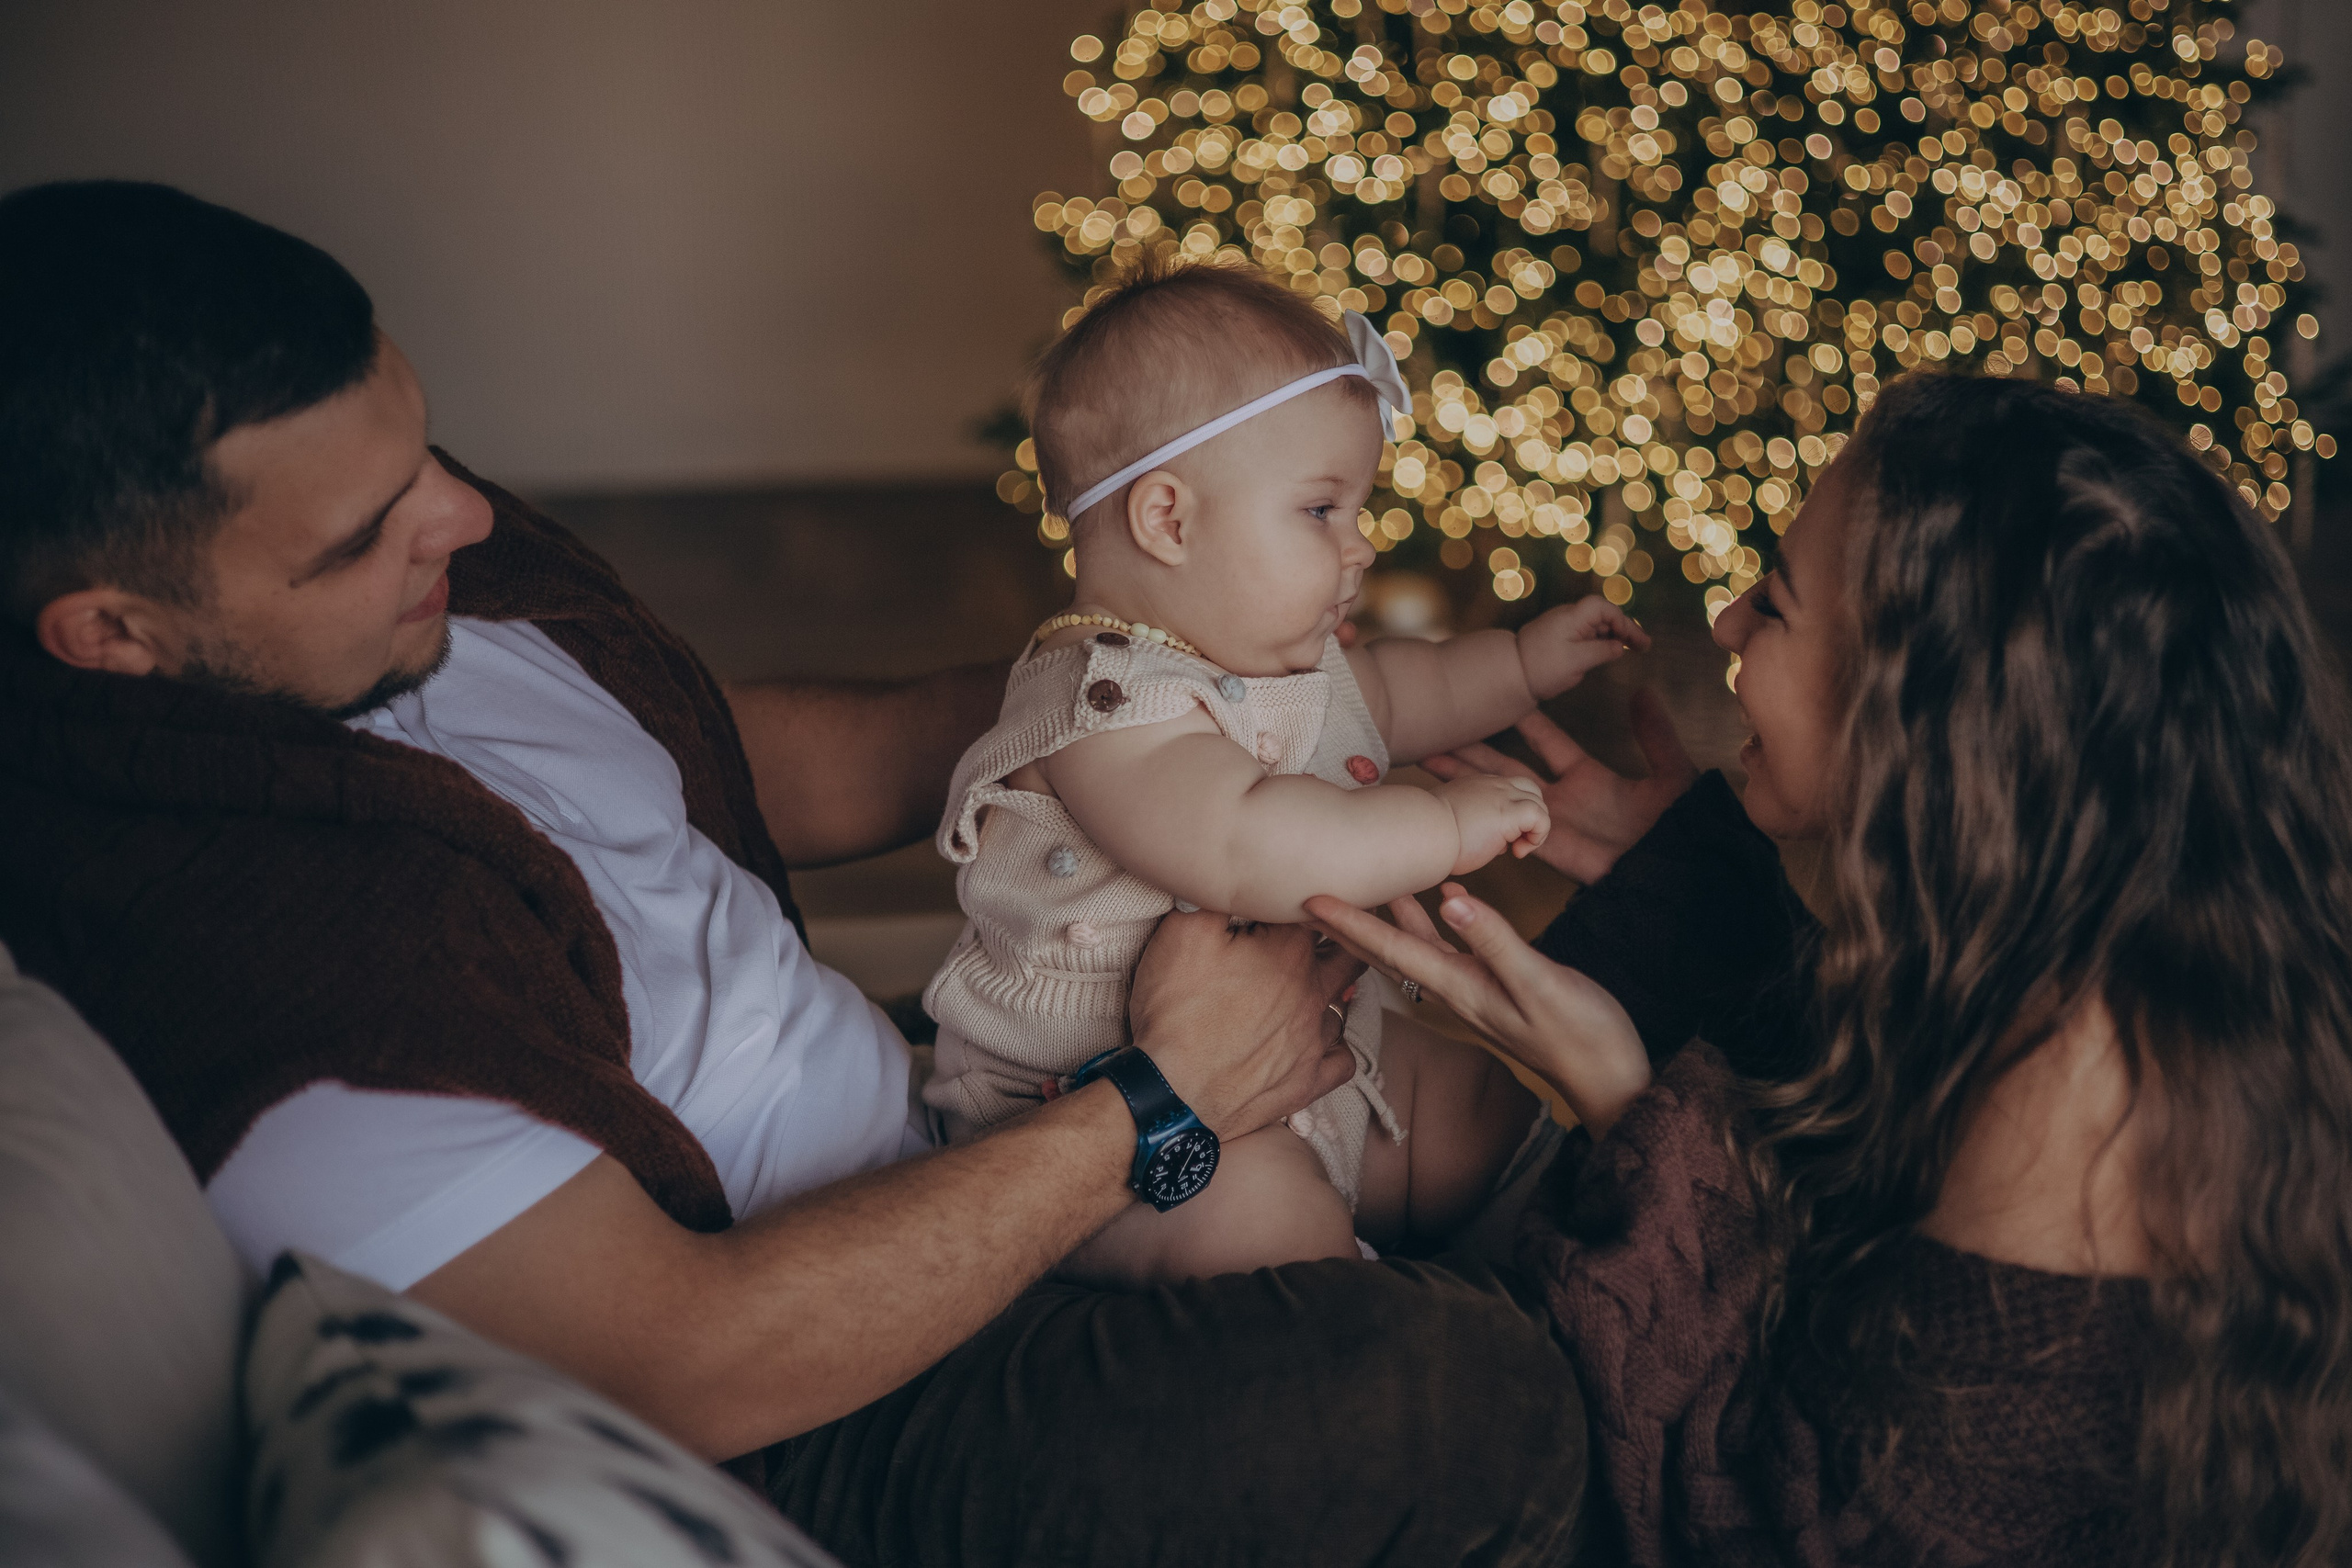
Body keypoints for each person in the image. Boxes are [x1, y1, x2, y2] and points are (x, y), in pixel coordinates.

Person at [0, 179, 1589, 1566]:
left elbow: (697, 751)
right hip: (848, 1384)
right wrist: (1164, 1105)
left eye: (430, 449)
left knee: (1597, 980)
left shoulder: (398, 589)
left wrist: (1161, 705)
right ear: (114, 637)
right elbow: (683, 1357)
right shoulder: (263, 961)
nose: (466, 516)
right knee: (1454, 1404)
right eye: (365, 532)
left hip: (934, 1110)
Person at [1313, 372, 2352, 1565]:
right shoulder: (2085, 933)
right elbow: (1860, 1164)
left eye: (1780, 604)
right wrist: (1698, 887)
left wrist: (1627, 1107)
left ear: (1925, 698)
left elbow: (1815, 1521)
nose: (1727, 624)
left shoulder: (2078, 1080)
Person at [924, 259, 1641, 1285]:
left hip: (1312, 1056)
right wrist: (1440, 825)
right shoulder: (1101, 709)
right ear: (1168, 521)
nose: (1357, 548)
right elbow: (1247, 840)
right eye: (1319, 511)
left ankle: (1576, 1284)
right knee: (1258, 1216)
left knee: (1474, 1103)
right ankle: (1351, 1318)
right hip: (1112, 1125)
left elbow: (1396, 695)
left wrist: (1521, 664)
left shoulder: (1269, 658)